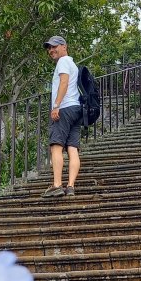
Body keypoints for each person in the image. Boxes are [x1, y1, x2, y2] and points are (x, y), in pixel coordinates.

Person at [43, 35, 82, 197]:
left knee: (56, 146)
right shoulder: (72, 63)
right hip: (76, 109)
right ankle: (70, 186)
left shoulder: (63, 61)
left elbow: (64, 83)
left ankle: (57, 185)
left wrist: (56, 105)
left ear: (64, 46)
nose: (51, 50)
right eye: (49, 48)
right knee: (72, 148)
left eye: (54, 46)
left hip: (65, 108)